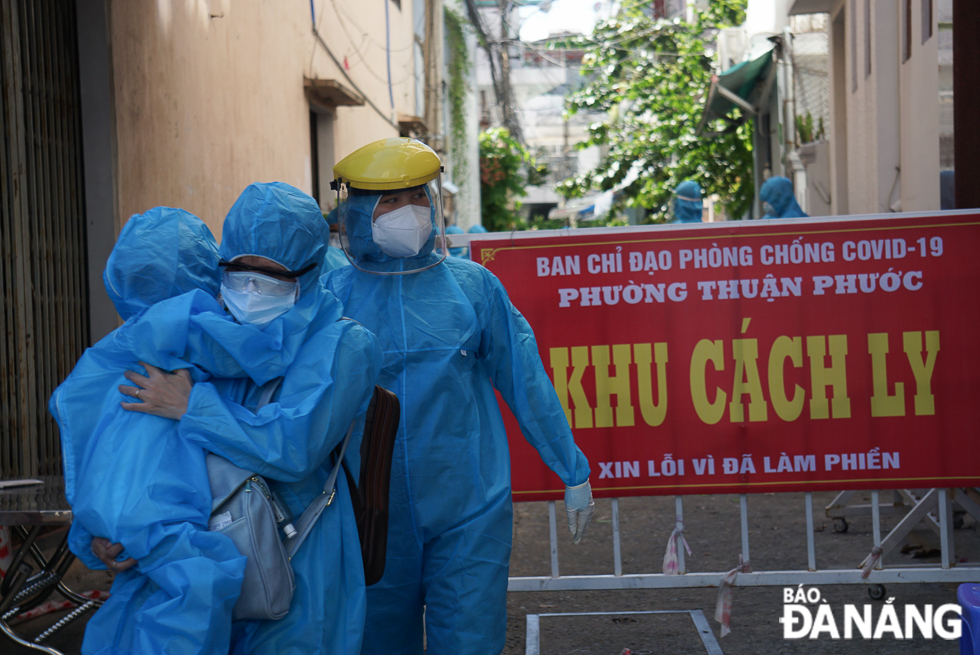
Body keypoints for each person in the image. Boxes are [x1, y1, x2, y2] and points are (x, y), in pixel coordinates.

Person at [88, 183, 383, 655]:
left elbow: (293, 449)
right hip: (206, 563)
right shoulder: (214, 341)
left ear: (310, 273)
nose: (251, 288)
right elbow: (150, 451)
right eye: (239, 270)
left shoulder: (343, 344)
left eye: (273, 275)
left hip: (298, 561)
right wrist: (112, 533)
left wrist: (192, 408)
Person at [326, 137, 594, 654]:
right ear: (355, 208)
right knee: (375, 641)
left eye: (416, 196)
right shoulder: (330, 300)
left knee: (469, 639)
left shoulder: (474, 288)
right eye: (388, 200)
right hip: (367, 513)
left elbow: (525, 380)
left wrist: (572, 468)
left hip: (468, 507)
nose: (408, 211)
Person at [52, 207, 247, 655]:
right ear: (208, 271)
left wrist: (93, 537)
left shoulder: (107, 361)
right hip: (178, 546)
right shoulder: (210, 342)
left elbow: (88, 456)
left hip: (125, 546)